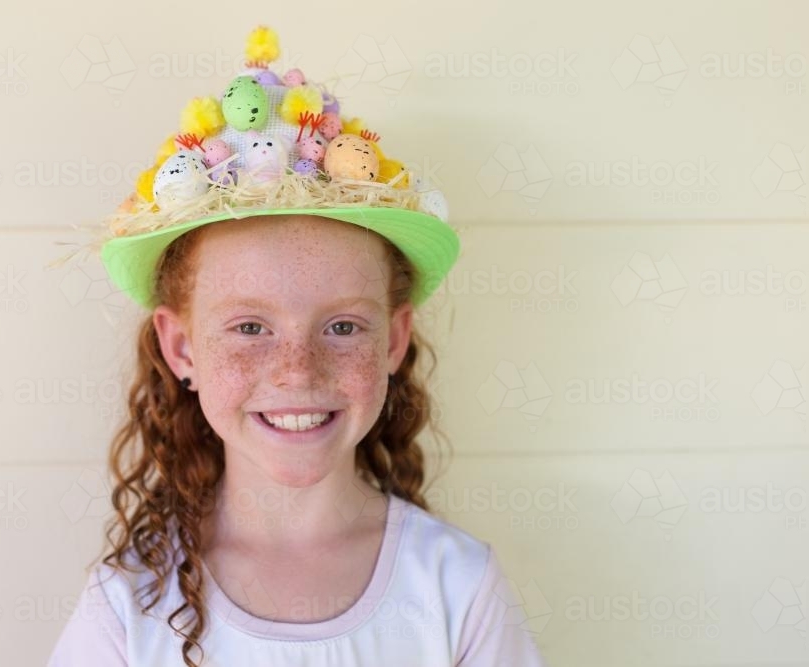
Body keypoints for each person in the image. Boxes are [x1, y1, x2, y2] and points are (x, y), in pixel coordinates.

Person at [48, 25, 549, 667]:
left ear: (394, 340)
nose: (297, 370)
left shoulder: (457, 587)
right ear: (182, 349)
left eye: (342, 326)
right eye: (250, 327)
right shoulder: (129, 607)